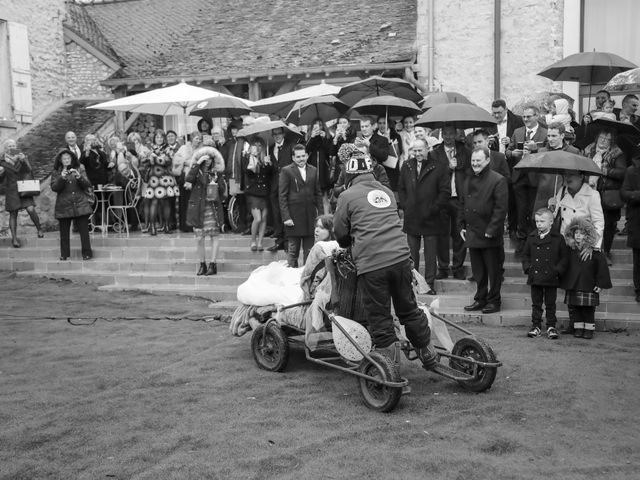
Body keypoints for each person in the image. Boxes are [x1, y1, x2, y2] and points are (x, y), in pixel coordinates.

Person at [333, 148, 437, 369]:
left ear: (349, 175)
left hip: (372, 265)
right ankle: (428, 352)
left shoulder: (346, 196)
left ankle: (389, 367)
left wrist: (347, 243)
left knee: (379, 316)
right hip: (401, 259)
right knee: (409, 309)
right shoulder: (387, 192)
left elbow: (340, 231)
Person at [458, 146, 508, 314]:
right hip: (472, 232)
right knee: (478, 271)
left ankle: (494, 301)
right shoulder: (468, 179)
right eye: (473, 160)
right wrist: (461, 226)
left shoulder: (498, 180)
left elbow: (501, 209)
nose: (475, 164)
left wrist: (492, 229)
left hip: (489, 234)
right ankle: (480, 299)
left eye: (478, 160)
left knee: (493, 271)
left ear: (487, 160)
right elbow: (462, 204)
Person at [398, 138, 450, 294]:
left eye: (421, 150)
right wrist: (406, 205)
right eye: (415, 150)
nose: (418, 153)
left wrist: (434, 208)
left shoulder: (439, 167)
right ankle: (413, 283)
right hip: (412, 216)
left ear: (427, 149)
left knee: (430, 254)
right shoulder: (407, 165)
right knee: (412, 254)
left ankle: (429, 284)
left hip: (431, 217)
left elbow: (445, 192)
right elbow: (401, 188)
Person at [429, 125, 471, 280]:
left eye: (451, 134)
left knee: (459, 234)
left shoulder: (465, 151)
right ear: (441, 135)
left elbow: (469, 173)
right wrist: (449, 168)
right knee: (442, 235)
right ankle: (443, 267)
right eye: (445, 134)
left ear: (455, 134)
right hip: (442, 199)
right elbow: (434, 177)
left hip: (459, 199)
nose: (448, 137)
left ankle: (458, 267)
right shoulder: (434, 153)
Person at [560, 217, 612, 339]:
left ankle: (589, 330)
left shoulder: (595, 251)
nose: (578, 236)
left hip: (589, 284)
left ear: (587, 235)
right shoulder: (570, 249)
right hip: (574, 284)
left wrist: (600, 284)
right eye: (576, 233)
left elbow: (602, 269)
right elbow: (564, 264)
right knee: (576, 308)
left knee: (588, 310)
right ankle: (578, 329)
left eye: (582, 233)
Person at [507, 105, 548, 254]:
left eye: (528, 116)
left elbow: (549, 152)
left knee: (533, 210)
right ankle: (522, 240)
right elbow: (508, 150)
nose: (525, 119)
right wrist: (512, 153)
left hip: (536, 177)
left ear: (536, 116)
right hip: (519, 176)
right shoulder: (517, 132)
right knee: (520, 210)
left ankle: (533, 241)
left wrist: (535, 149)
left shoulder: (545, 133)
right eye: (524, 117)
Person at [522, 208, 569, 339]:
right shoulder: (531, 237)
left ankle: (551, 326)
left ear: (551, 222)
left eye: (542, 221)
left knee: (550, 303)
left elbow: (564, 257)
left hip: (551, 276)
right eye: (537, 221)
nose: (539, 224)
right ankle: (536, 326)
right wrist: (528, 268)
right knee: (536, 303)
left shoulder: (558, 238)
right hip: (535, 276)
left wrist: (557, 271)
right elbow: (525, 255)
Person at [583, 129, 626, 264]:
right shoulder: (588, 150)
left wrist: (605, 170)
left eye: (607, 139)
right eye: (602, 138)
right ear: (597, 138)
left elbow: (622, 173)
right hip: (589, 191)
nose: (604, 141)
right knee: (588, 221)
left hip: (608, 194)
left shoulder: (617, 153)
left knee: (608, 225)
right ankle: (589, 249)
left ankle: (605, 251)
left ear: (611, 141)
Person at [185, 143, 226, 276]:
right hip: (198, 209)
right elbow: (188, 179)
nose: (208, 160)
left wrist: (217, 184)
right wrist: (197, 163)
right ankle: (202, 264)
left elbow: (223, 190)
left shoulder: (216, 172)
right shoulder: (196, 170)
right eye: (205, 157)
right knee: (199, 238)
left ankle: (213, 264)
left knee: (214, 236)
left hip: (212, 208)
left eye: (210, 157)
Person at [279, 144, 323, 267]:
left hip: (310, 217)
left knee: (309, 252)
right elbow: (282, 196)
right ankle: (291, 278)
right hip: (293, 217)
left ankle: (306, 279)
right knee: (293, 251)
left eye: (303, 156)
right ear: (293, 158)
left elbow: (318, 194)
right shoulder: (286, 171)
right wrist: (286, 217)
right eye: (298, 157)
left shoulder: (313, 170)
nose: (301, 159)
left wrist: (321, 215)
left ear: (307, 156)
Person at [50, 149, 93, 261]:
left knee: (84, 231)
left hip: (80, 202)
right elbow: (54, 188)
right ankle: (64, 254)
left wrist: (79, 177)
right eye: (64, 159)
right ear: (60, 160)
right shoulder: (56, 172)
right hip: (64, 204)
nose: (66, 160)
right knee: (64, 232)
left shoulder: (80, 168)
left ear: (72, 159)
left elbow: (87, 185)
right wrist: (61, 177)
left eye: (68, 158)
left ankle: (87, 253)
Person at [0, 139, 44, 247]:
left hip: (24, 188)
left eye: (13, 145)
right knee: (13, 213)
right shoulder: (2, 161)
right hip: (11, 190)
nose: (12, 147)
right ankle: (14, 239)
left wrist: (24, 160)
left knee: (30, 209)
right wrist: (0, 173)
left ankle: (39, 229)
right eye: (9, 146)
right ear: (6, 148)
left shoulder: (22, 157)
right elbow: (1, 181)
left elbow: (29, 170)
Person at [267, 127, 295, 252]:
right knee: (276, 213)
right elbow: (271, 169)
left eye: (279, 133)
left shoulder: (290, 145)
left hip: (288, 183)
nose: (277, 136)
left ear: (283, 134)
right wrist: (267, 164)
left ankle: (288, 241)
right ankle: (279, 241)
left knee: (286, 211)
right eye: (275, 134)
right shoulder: (270, 147)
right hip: (274, 184)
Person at [243, 138, 272, 251]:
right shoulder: (248, 158)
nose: (258, 148)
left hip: (264, 192)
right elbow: (249, 173)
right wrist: (253, 158)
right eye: (255, 145)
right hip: (253, 192)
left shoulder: (265, 158)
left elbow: (270, 174)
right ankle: (253, 240)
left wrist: (268, 164)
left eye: (260, 145)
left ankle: (260, 242)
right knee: (258, 218)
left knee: (264, 218)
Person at [172, 131, 202, 232]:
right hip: (185, 176)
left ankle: (194, 223)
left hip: (196, 178)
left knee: (194, 201)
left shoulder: (201, 150)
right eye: (197, 138)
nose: (198, 140)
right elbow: (176, 159)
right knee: (184, 201)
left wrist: (194, 163)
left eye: (199, 139)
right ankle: (184, 225)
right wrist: (185, 161)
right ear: (192, 139)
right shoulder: (183, 148)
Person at [620, 154, 640, 302]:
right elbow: (624, 193)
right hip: (637, 221)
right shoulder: (632, 170)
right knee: (638, 260)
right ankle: (639, 289)